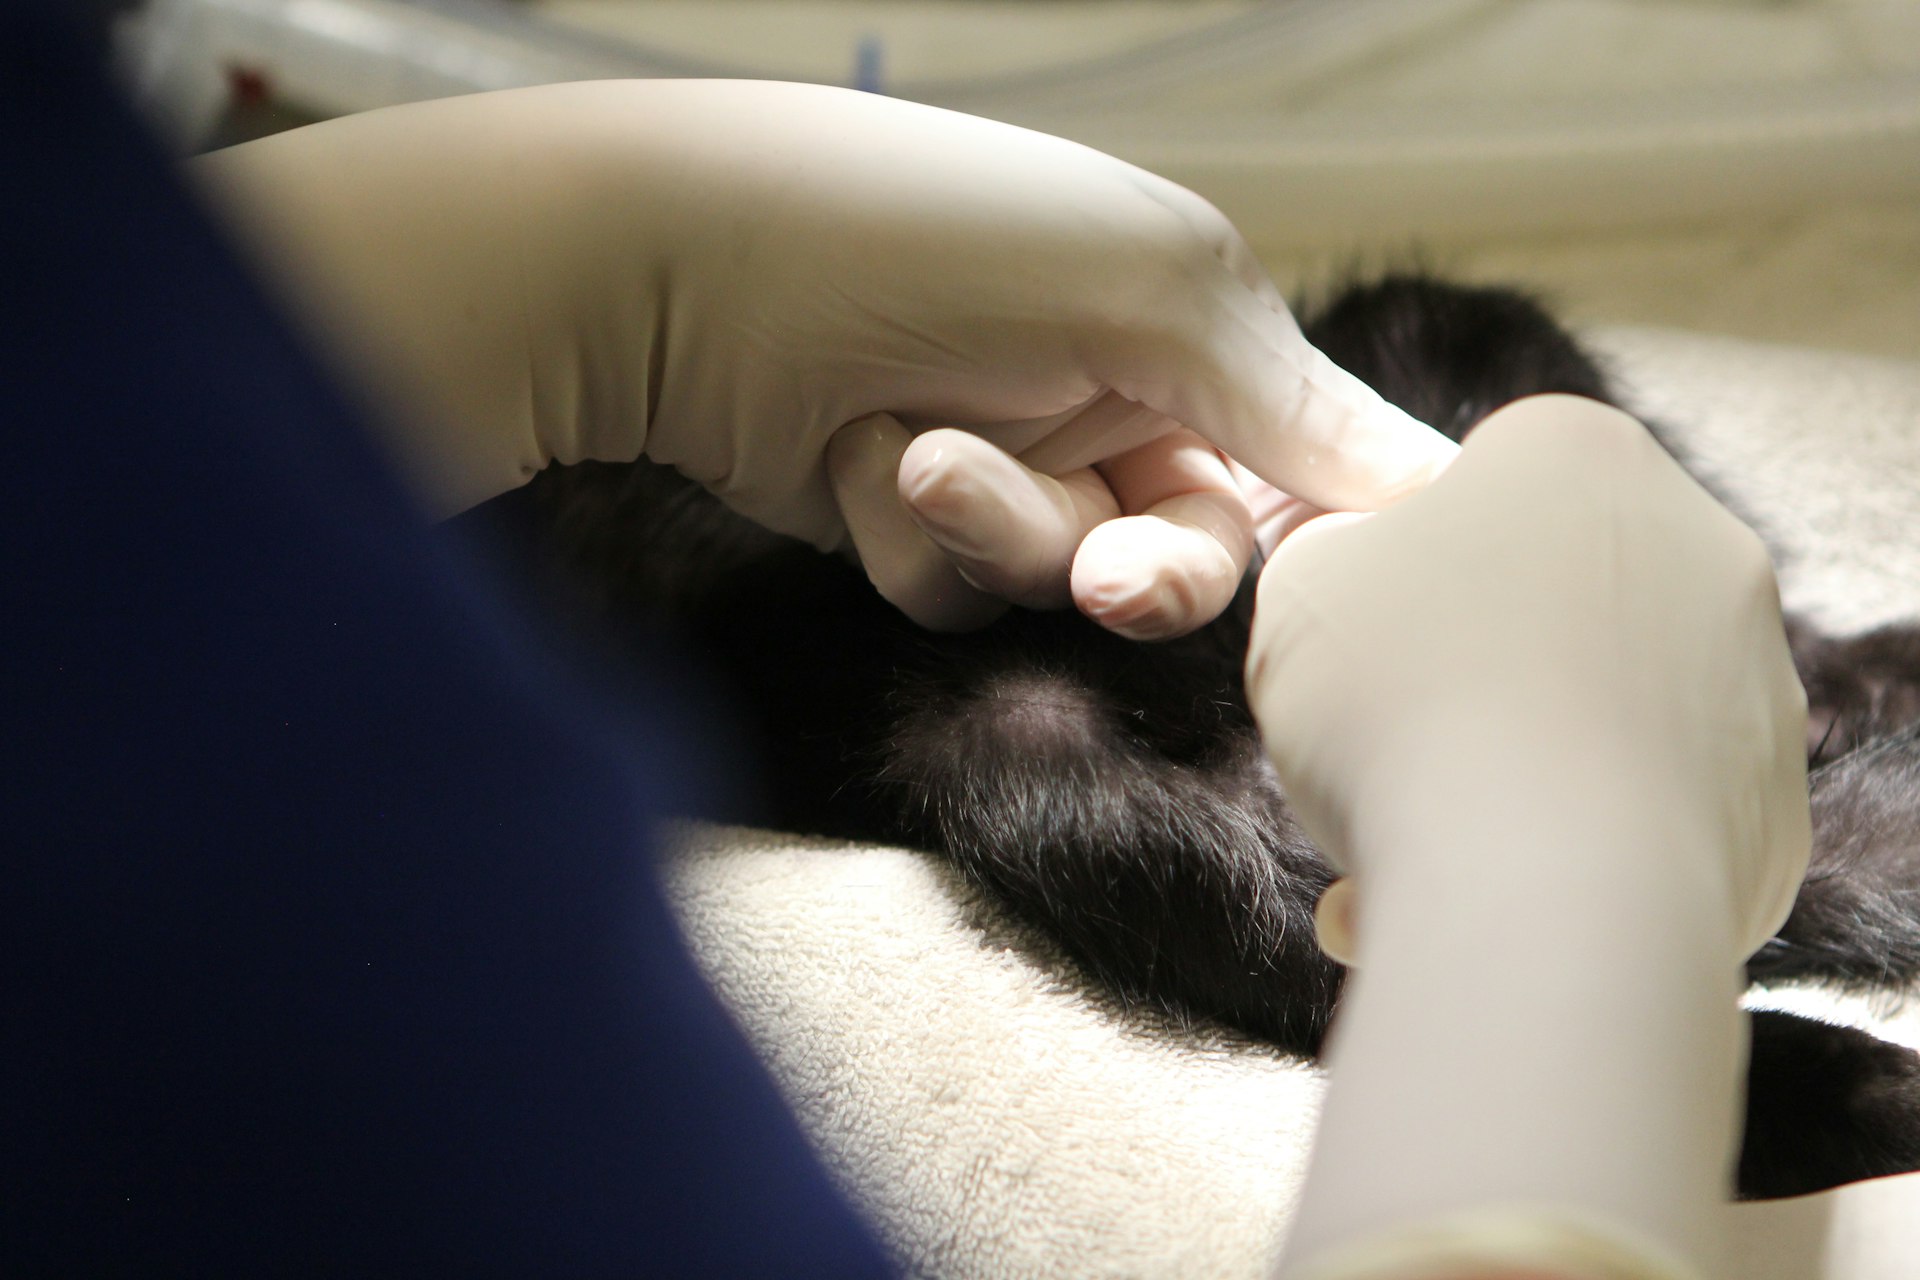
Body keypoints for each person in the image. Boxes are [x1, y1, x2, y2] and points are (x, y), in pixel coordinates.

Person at [5, 4, 1808, 1277]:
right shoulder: (173, 880)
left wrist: (592, 261)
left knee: (1430, 336)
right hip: (995, 702)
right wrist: (1563, 902)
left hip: (1053, 591)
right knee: (1020, 737)